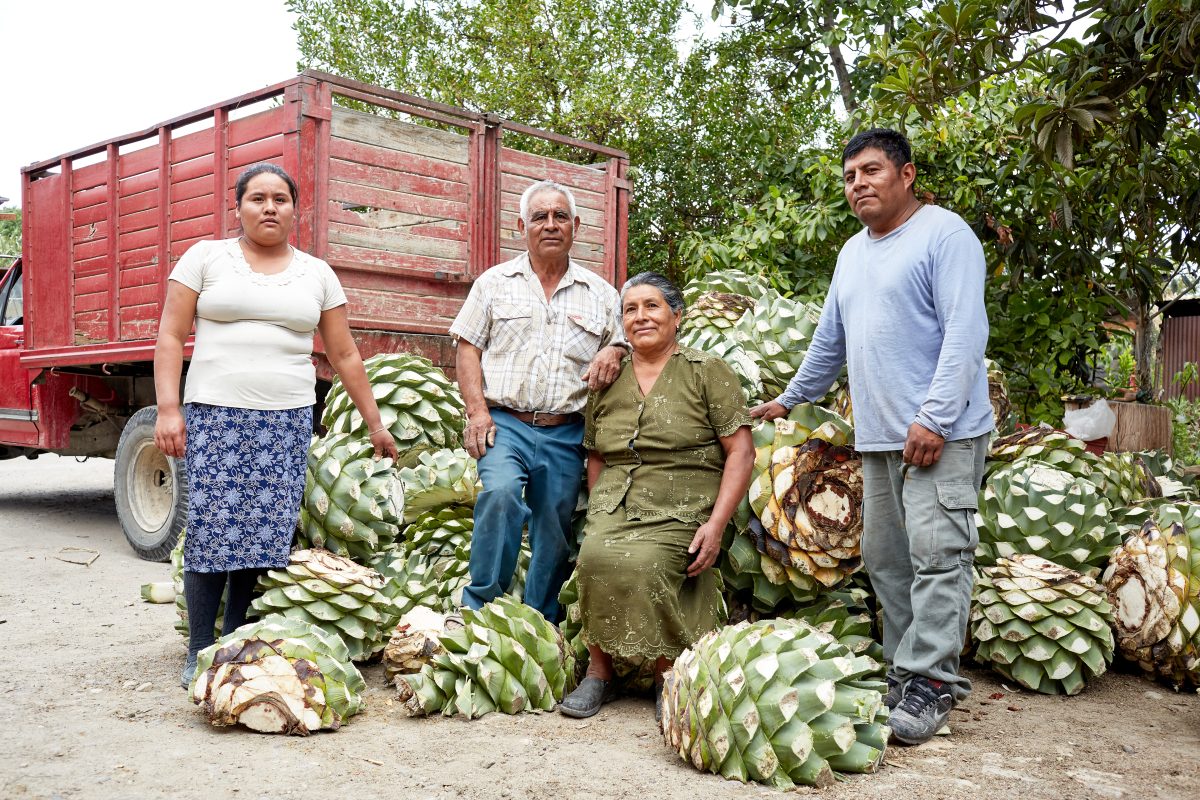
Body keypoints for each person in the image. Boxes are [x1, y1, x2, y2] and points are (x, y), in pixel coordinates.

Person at [751, 128, 992, 746]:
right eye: (850, 176)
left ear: (906, 175)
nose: (858, 184)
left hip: (941, 435)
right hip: (880, 437)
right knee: (887, 562)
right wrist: (789, 399)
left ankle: (933, 682)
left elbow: (965, 333)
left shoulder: (945, 235)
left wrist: (935, 418)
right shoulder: (853, 254)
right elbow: (829, 342)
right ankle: (904, 674)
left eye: (871, 170)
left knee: (939, 557)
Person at [154, 163, 398, 689]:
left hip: (286, 420)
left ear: (294, 210)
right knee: (212, 527)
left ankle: (234, 640)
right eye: (258, 198)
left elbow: (344, 354)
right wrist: (169, 408)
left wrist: (375, 423)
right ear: (238, 207)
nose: (269, 207)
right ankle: (198, 648)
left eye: (280, 199)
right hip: (215, 413)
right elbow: (171, 335)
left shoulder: (317, 273)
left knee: (262, 533)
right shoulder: (205, 258)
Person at [559, 272, 754, 721]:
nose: (641, 316)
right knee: (593, 556)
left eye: (652, 306)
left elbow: (741, 452)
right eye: (631, 309)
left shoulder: (706, 372)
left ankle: (668, 672)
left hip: (683, 505)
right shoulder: (609, 378)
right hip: (616, 501)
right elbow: (596, 454)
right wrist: (600, 510)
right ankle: (600, 672)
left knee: (650, 562)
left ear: (677, 316)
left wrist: (716, 524)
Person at [449, 179, 627, 623]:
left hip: (565, 429)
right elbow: (467, 348)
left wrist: (615, 349)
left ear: (575, 226)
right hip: (505, 423)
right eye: (540, 217)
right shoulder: (494, 284)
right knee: (501, 495)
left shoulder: (601, 294)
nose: (551, 225)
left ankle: (539, 621)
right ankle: (480, 610)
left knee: (554, 524)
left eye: (560, 216)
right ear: (521, 226)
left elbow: (626, 343)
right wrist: (477, 413)